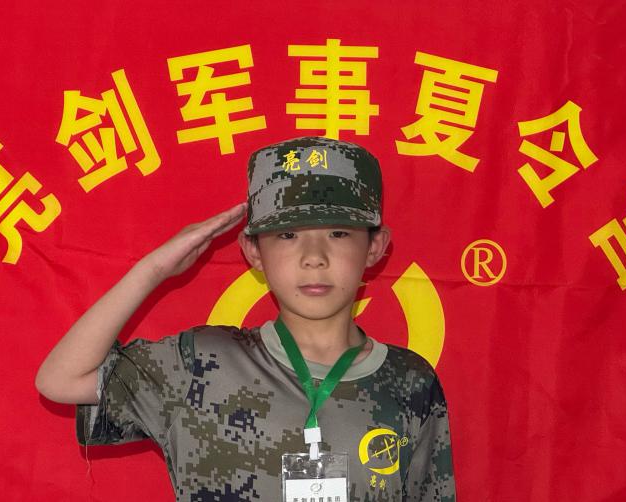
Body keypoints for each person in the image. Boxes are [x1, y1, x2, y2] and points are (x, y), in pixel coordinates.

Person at [36, 136, 455, 501]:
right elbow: (60, 380)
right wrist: (153, 270)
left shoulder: (410, 382)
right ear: (254, 251)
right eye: (287, 235)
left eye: (338, 233)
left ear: (375, 246)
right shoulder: (201, 365)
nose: (314, 257)